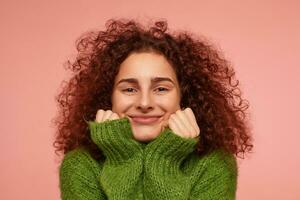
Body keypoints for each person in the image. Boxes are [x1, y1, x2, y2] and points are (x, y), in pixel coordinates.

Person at [53, 18, 253, 199]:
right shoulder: (80, 165)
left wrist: (164, 158)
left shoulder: (214, 164)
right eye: (130, 89)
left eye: (161, 88)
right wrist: (123, 158)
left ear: (183, 96)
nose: (145, 103)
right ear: (109, 96)